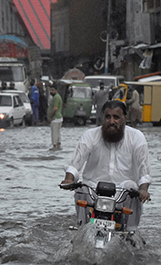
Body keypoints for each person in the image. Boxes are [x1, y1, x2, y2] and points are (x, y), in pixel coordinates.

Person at [60, 100, 151, 230]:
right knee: (81, 189)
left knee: (133, 188)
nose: (111, 121)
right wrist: (69, 179)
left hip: (123, 192)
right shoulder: (90, 135)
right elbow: (76, 162)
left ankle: (131, 232)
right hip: (94, 190)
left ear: (125, 118)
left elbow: (144, 171)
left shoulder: (137, 137)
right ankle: (82, 229)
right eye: (108, 117)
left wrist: (143, 189)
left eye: (116, 117)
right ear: (103, 118)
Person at [48, 83, 63, 150]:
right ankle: (58, 145)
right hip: (58, 118)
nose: (51, 92)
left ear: (56, 90)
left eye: (53, 90)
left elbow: (55, 108)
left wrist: (50, 116)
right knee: (58, 132)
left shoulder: (56, 97)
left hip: (55, 118)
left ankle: (54, 146)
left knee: (54, 133)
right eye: (50, 90)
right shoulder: (57, 97)